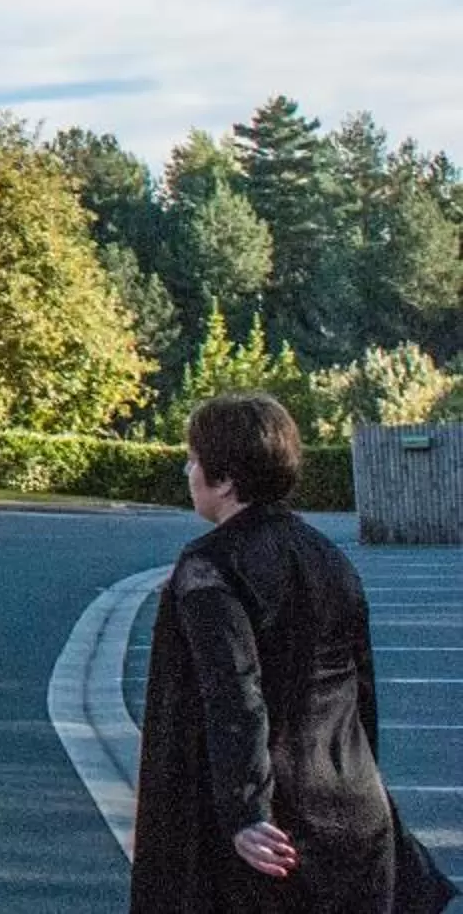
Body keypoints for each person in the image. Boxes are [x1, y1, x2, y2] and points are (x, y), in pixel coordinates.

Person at [131, 390, 455, 913]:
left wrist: (245, 811)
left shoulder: (211, 567)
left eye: (193, 459)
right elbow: (361, 691)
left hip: (271, 836)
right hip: (355, 810)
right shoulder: (327, 556)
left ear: (225, 478)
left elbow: (235, 693)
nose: (188, 472)